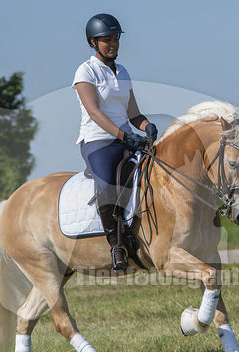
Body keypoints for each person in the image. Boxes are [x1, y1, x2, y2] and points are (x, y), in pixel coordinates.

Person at [72, 13, 157, 271]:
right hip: (97, 141)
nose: (113, 44)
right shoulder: (85, 71)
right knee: (109, 182)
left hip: (125, 140)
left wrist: (146, 126)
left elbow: (133, 114)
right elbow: (95, 113)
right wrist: (125, 136)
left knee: (151, 174)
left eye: (116, 39)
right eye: (106, 40)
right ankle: (116, 243)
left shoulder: (122, 72)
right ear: (93, 42)